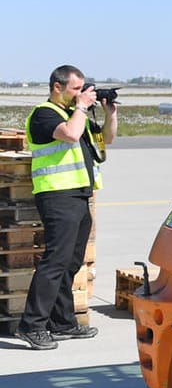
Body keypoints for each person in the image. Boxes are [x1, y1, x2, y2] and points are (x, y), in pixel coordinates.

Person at [18, 66, 116, 350]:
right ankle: (32, 325)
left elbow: (106, 141)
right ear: (57, 87)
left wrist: (111, 114)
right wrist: (83, 107)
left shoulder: (77, 115)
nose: (81, 94)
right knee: (55, 261)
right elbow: (71, 135)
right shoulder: (44, 114)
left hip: (79, 195)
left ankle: (62, 322)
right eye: (76, 88)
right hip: (57, 196)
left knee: (71, 263)